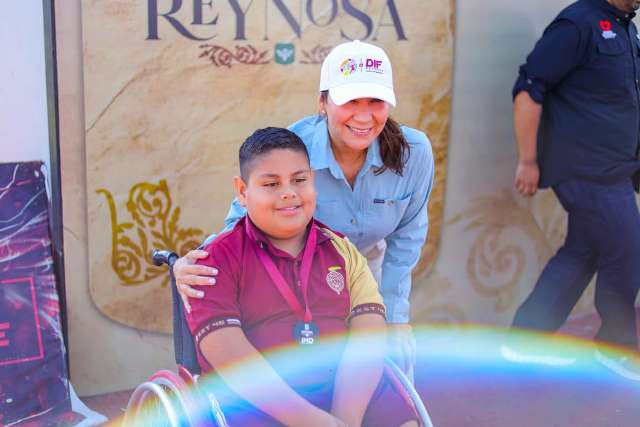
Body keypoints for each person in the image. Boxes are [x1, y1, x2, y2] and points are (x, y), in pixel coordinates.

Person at [174, 40, 435, 375]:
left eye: (376, 101)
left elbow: (407, 238)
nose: (364, 115)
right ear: (322, 103)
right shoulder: (294, 150)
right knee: (310, 369)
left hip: (368, 268)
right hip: (298, 272)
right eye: (350, 101)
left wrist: (396, 319)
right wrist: (195, 261)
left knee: (391, 362)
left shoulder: (414, 152)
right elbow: (242, 219)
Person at [185, 127, 419, 427]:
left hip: (346, 391)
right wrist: (314, 422)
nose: (289, 193)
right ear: (242, 191)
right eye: (271, 184)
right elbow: (228, 353)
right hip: (257, 400)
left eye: (299, 180)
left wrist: (345, 420)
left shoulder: (342, 250)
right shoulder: (214, 260)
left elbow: (368, 339)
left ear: (313, 181)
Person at [508, 0, 640, 378]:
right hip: (586, 169)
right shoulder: (577, 24)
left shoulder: (626, 27)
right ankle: (615, 348)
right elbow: (528, 89)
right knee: (627, 250)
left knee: (582, 252)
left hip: (615, 168)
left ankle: (525, 341)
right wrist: (528, 160)